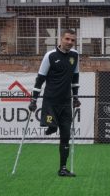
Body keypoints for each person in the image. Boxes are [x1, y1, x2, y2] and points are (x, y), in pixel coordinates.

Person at [28, 28, 81, 177]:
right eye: (67, 39)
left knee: (66, 136)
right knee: (51, 124)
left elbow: (75, 77)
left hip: (66, 102)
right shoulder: (50, 56)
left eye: (72, 40)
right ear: (61, 39)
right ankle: (51, 126)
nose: (70, 42)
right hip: (50, 101)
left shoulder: (75, 56)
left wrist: (76, 97)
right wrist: (33, 99)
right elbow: (40, 79)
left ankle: (63, 168)